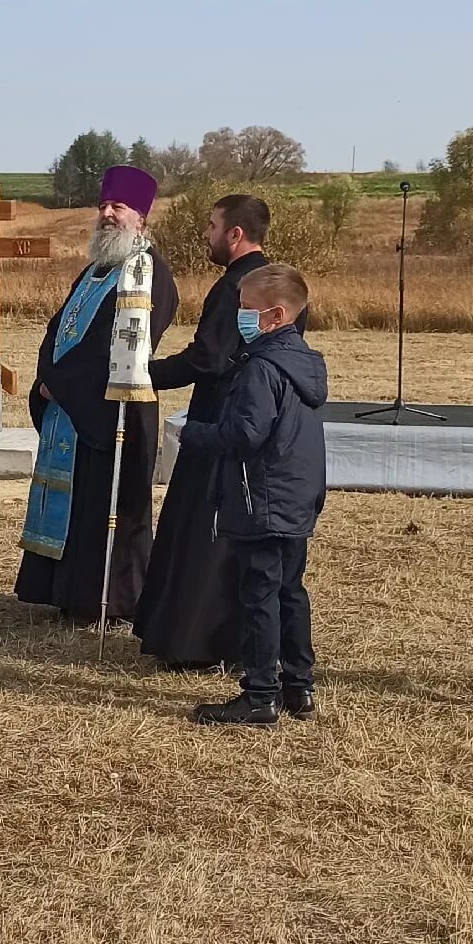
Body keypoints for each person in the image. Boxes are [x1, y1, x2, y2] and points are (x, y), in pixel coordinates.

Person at [15, 165, 176, 626]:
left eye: (118, 207)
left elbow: (122, 344)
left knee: (105, 507)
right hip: (71, 408)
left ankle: (108, 600)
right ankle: (64, 591)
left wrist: (60, 383)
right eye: (103, 206)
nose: (107, 214)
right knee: (75, 503)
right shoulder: (93, 271)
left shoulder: (148, 273)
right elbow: (57, 330)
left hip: (114, 412)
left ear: (140, 218)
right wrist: (47, 376)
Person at [185, 263, 328, 727]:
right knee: (290, 590)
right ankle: (298, 685)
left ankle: (260, 693)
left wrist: (197, 434)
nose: (239, 318)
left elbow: (246, 434)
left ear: (276, 315)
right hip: (294, 494)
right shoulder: (300, 363)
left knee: (259, 594)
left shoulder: (261, 369)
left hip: (261, 496)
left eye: (246, 309)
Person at [136, 193, 274, 669]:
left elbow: (208, 358)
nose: (208, 235)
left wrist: (145, 373)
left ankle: (195, 641)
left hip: (220, 423)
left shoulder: (234, 287)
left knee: (203, 532)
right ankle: (237, 641)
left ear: (235, 233)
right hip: (262, 424)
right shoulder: (280, 284)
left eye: (213, 226)